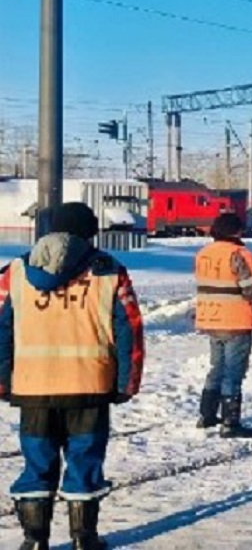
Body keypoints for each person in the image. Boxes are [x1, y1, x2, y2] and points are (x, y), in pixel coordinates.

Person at [0, 202, 145, 550]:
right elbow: (129, 329)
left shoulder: (16, 272)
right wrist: (127, 382)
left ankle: (34, 540)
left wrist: (3, 381)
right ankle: (84, 538)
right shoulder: (109, 271)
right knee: (84, 461)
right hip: (89, 385)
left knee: (37, 463)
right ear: (90, 232)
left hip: (33, 387)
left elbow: (1, 331)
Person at [194, 213, 252, 439]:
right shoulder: (238, 254)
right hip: (235, 321)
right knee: (233, 372)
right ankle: (230, 424)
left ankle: (207, 415)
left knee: (217, 368)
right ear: (236, 231)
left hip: (210, 318)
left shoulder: (204, 254)